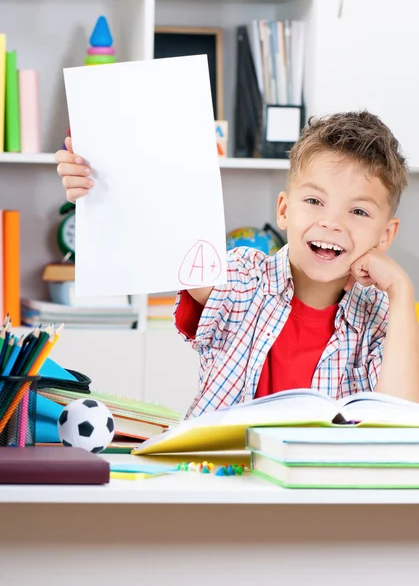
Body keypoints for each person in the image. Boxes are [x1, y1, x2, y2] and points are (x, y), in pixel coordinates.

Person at [54, 111, 419, 418]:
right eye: (314, 200)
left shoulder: (384, 320)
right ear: (284, 210)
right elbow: (158, 241)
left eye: (357, 211)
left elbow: (397, 426)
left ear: (385, 235)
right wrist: (97, 185)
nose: (332, 222)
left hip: (327, 497)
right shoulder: (244, 279)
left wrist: (402, 293)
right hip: (224, 489)